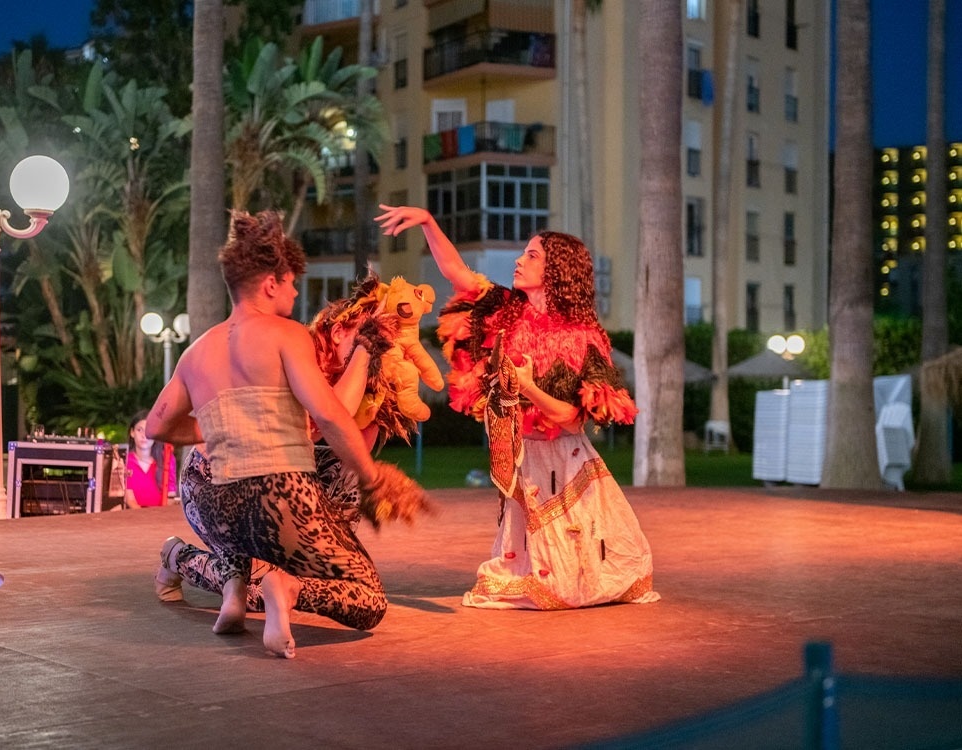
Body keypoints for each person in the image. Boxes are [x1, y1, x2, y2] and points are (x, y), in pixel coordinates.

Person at [145, 211, 426, 658]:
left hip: (213, 507)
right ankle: (288, 589)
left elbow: (157, 425)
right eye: (293, 283)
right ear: (271, 282)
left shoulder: (196, 352)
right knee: (368, 598)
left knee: (239, 518)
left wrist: (223, 425)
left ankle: (235, 586)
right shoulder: (285, 334)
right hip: (280, 499)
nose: (296, 293)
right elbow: (331, 415)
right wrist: (373, 479)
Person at [375, 204, 658, 610]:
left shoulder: (585, 338)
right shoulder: (504, 311)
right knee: (536, 571)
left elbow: (569, 418)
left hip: (566, 462)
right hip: (521, 456)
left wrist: (527, 387)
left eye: (532, 255)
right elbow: (458, 274)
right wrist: (429, 223)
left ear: (556, 270)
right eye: (523, 253)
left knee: (571, 578)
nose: (519, 261)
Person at [123, 410, 177, 508]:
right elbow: (130, 500)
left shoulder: (167, 459)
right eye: (139, 430)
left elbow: (171, 497)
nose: (144, 436)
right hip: (134, 517)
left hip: (161, 517)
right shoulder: (125, 461)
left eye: (149, 430)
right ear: (132, 432)